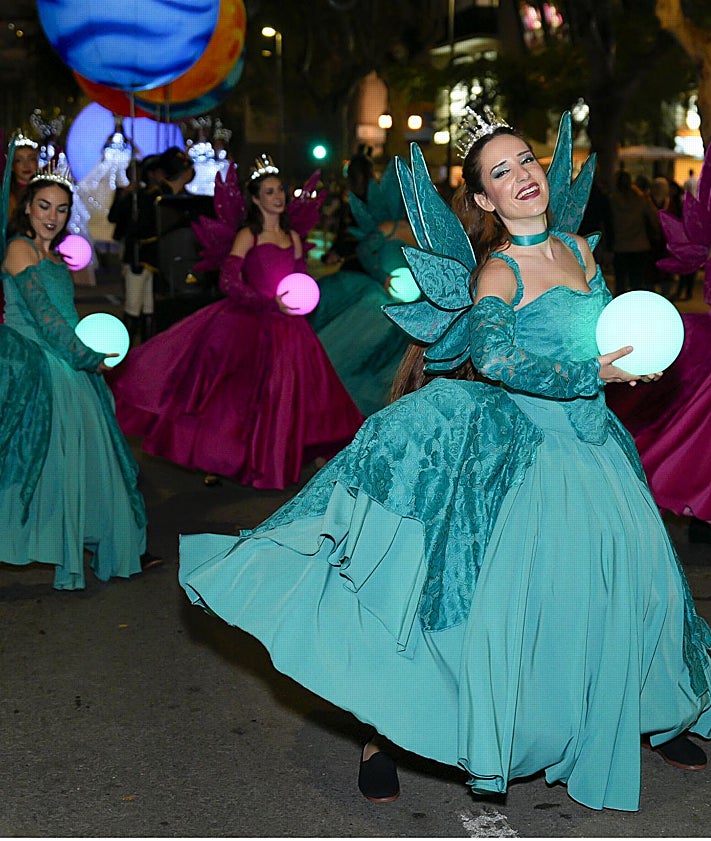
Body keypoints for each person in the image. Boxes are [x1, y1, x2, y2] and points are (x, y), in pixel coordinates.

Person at [178, 108, 711, 813]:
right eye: (501, 172)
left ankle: (650, 707)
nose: (521, 176)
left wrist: (635, 361)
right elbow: (494, 357)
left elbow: (611, 330)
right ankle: (386, 732)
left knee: (641, 586)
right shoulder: (498, 272)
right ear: (484, 199)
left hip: (598, 443)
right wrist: (591, 372)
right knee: (487, 611)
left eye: (525, 160)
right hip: (535, 451)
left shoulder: (579, 252)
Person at [108, 155, 363, 491]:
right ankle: (220, 458)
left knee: (297, 393)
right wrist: (264, 300)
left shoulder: (294, 238)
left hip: (288, 327)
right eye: (269, 192)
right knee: (232, 397)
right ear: (256, 200)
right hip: (247, 322)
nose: (278, 197)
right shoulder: (248, 235)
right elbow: (229, 280)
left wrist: (299, 298)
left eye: (280, 191)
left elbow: (301, 279)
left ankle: (295, 457)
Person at [0, 166, 149, 589]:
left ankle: (90, 541)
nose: (52, 216)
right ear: (26, 207)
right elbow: (46, 321)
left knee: (84, 463)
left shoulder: (52, 255)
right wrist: (87, 356)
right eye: (44, 206)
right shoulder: (19, 250)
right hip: (39, 365)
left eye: (62, 209)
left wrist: (85, 354)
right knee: (35, 464)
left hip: (67, 364)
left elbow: (65, 316)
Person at [308, 149, 417, 415]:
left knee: (390, 371)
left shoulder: (423, 232)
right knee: (352, 358)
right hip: (378, 302)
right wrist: (383, 278)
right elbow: (364, 252)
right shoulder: (386, 228)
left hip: (410, 310)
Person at [108, 154, 164, 345]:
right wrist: (125, 197)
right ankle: (126, 346)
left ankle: (147, 346)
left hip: (151, 257)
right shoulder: (132, 197)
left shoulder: (154, 196)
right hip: (136, 256)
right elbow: (115, 219)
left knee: (148, 306)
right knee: (133, 305)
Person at [608, 168, 660, 295]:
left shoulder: (612, 200)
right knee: (637, 281)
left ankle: (620, 308)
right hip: (640, 245)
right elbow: (654, 217)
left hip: (620, 246)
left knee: (620, 282)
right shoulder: (641, 199)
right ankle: (635, 308)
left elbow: (607, 224)